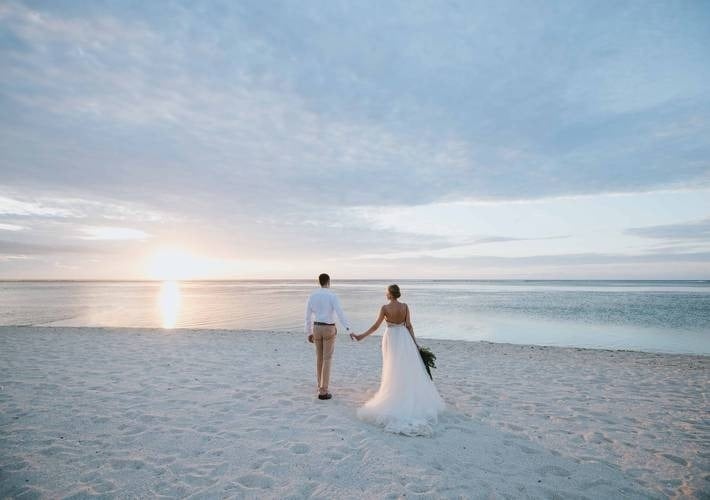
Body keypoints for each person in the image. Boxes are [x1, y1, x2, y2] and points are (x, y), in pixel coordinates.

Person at [350, 284, 444, 435]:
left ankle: (394, 394)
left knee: (393, 367)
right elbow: (409, 326)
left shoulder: (385, 308)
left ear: (389, 294)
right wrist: (415, 343)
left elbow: (375, 327)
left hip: (392, 338)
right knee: (405, 367)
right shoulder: (405, 306)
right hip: (404, 338)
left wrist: (361, 336)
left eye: (386, 292)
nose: (385, 294)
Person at [304, 273, 352, 400]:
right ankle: (323, 391)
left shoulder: (312, 296)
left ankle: (320, 385)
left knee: (319, 358)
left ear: (319, 282)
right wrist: (349, 329)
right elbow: (340, 313)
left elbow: (307, 316)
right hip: (329, 328)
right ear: (328, 282)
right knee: (327, 359)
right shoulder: (332, 295)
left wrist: (308, 332)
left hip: (316, 327)